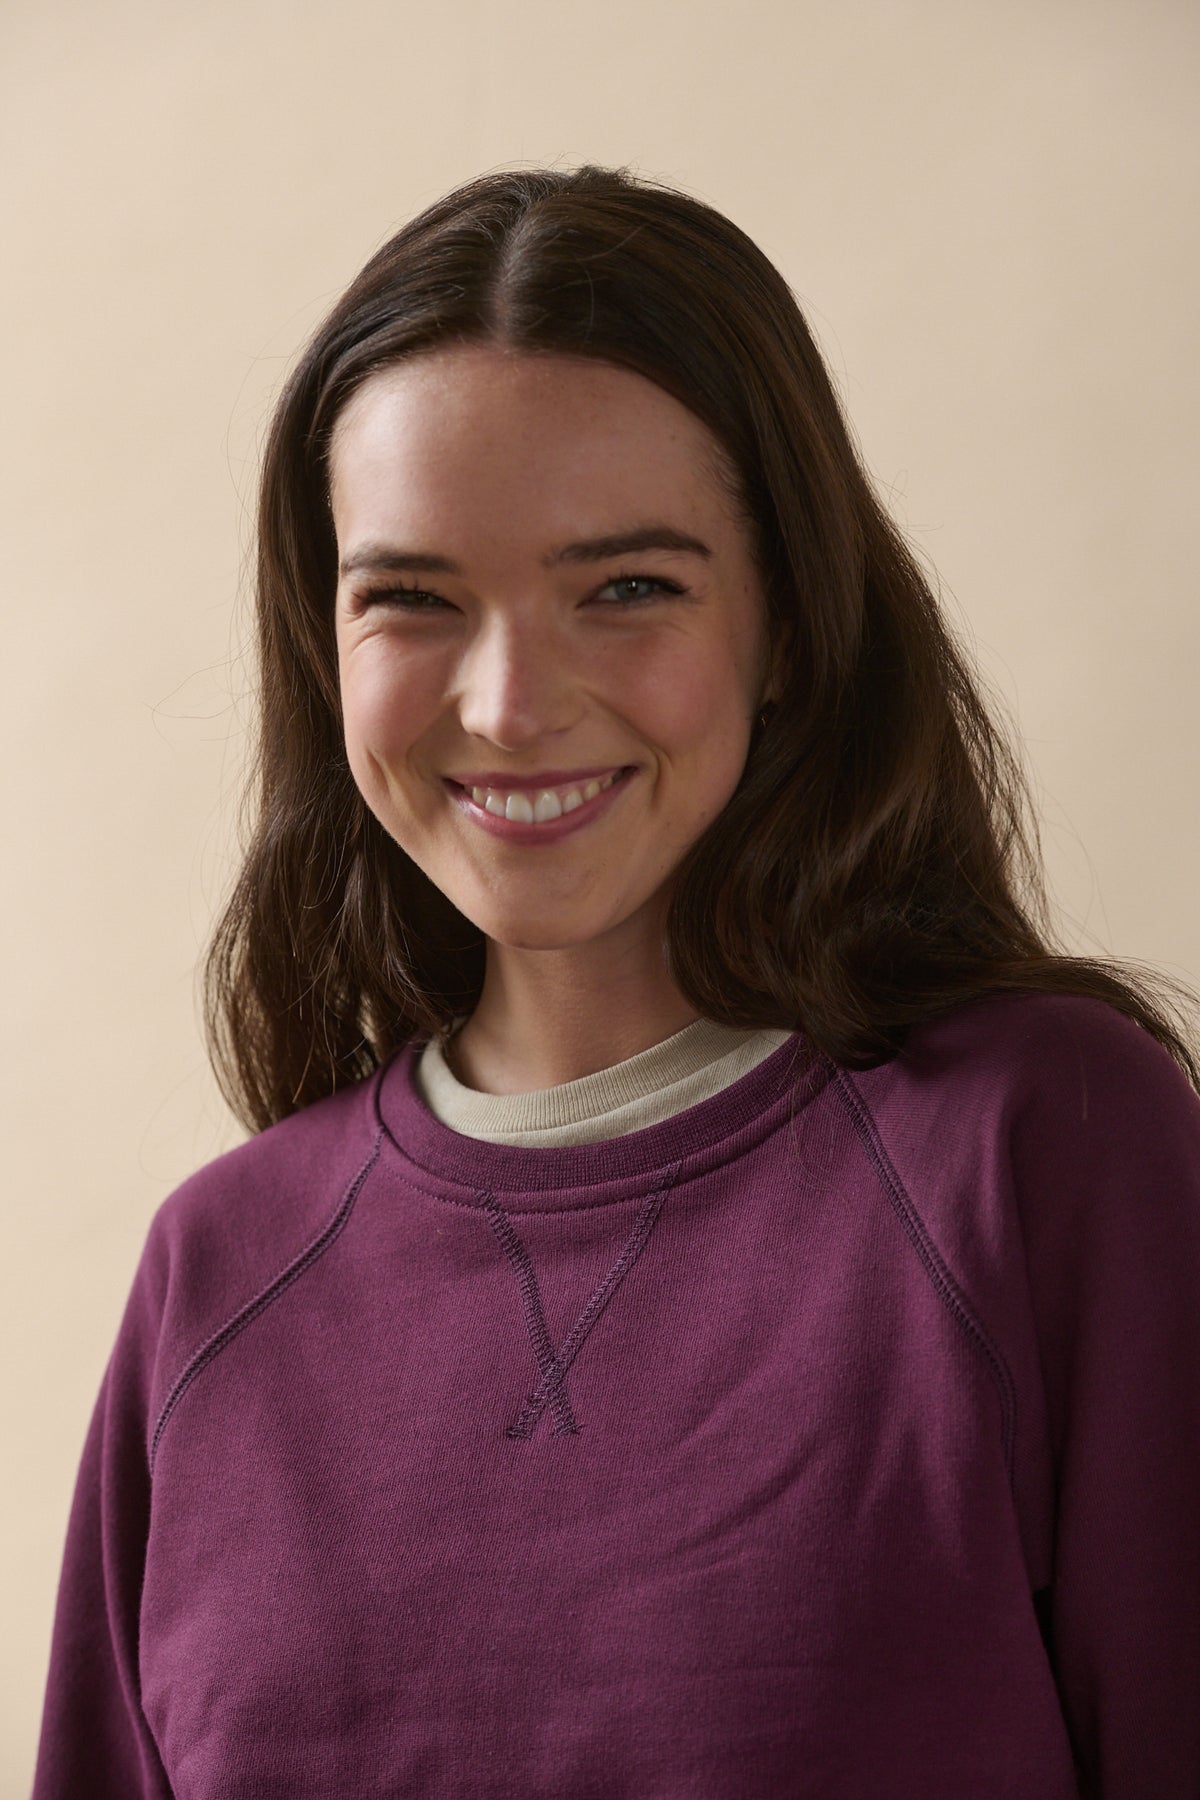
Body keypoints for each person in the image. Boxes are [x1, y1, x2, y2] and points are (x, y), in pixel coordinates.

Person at [32, 164, 1200, 1799]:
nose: (510, 705)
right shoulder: (215, 1275)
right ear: (325, 644)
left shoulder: (1049, 1151)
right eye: (414, 600)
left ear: (787, 620)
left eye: (629, 587)